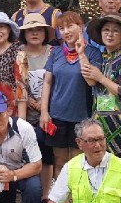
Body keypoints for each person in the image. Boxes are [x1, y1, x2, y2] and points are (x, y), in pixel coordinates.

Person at [40, 12, 100, 185]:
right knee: (59, 161)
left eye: (70, 26)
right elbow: (47, 82)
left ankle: (76, 198)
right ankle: (61, 198)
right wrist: (44, 112)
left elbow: (91, 81)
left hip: (81, 117)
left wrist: (81, 53)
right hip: (57, 116)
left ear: (80, 27)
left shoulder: (93, 53)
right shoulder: (56, 52)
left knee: (77, 161)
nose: (66, 31)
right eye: (61, 28)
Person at [82, 13, 121, 162]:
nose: (110, 34)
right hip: (100, 124)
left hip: (120, 126)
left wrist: (101, 77)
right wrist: (81, 53)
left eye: (115, 31)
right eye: (106, 30)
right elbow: (91, 82)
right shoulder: (103, 59)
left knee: (118, 169)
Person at [16, 13, 55, 203]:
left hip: (50, 113)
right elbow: (18, 84)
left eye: (39, 29)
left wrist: (44, 104)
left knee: (47, 154)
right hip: (25, 112)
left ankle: (45, 194)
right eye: (30, 30)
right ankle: (29, 192)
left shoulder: (53, 52)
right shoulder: (19, 54)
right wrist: (31, 101)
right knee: (28, 153)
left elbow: (58, 82)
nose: (35, 33)